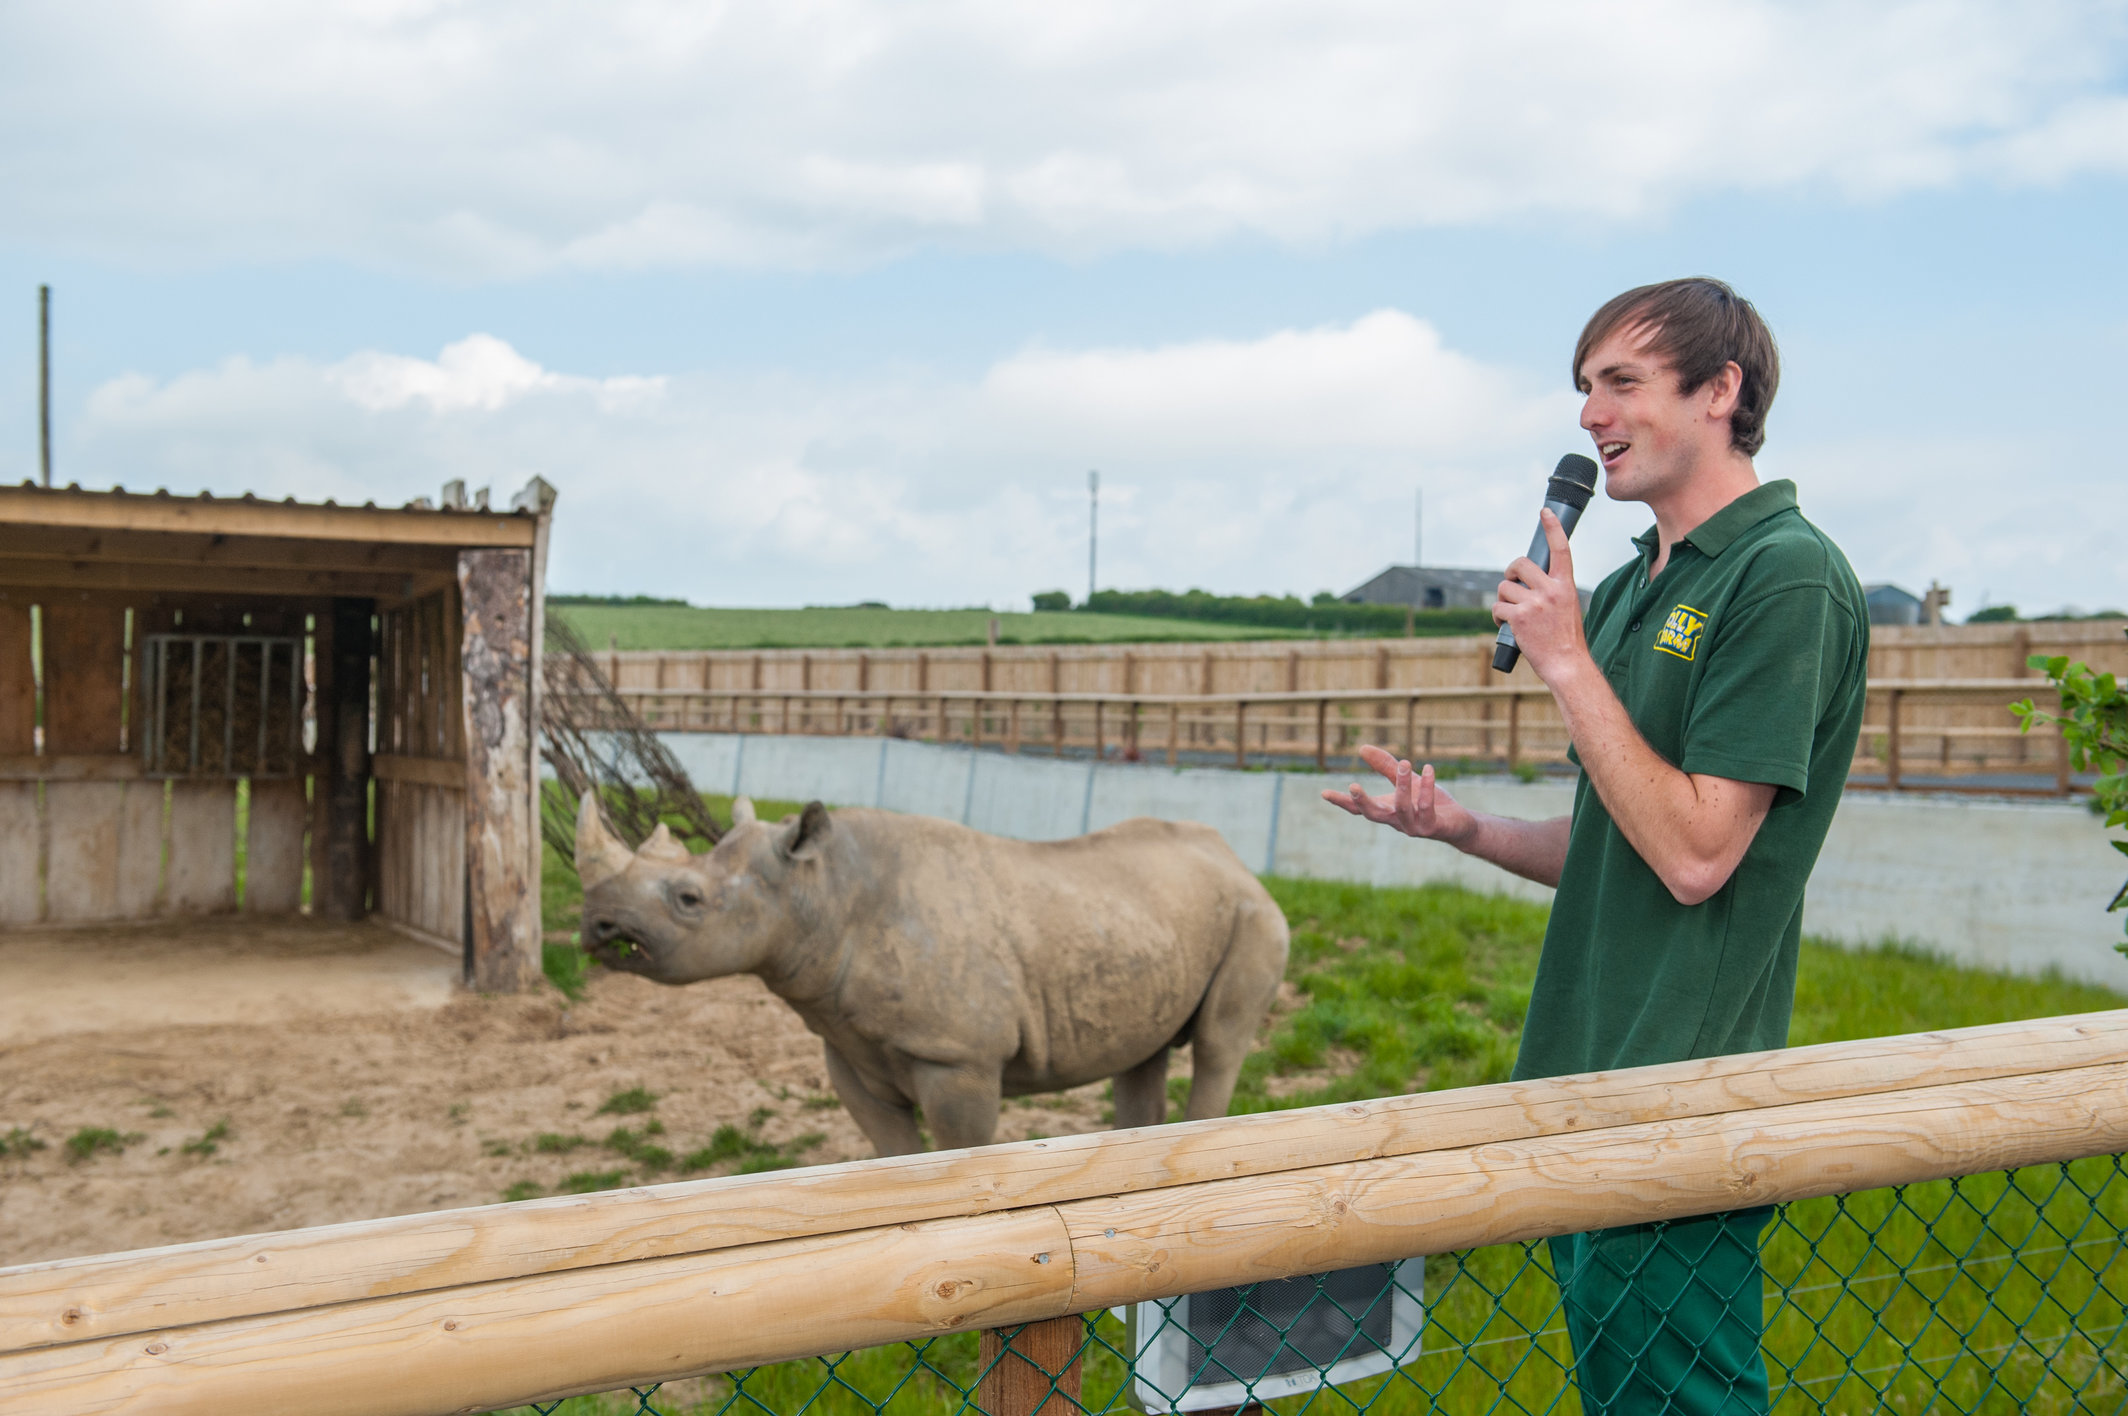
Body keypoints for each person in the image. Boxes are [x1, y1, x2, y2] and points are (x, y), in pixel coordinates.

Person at [1324, 277, 1869, 1415]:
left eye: (1620, 382)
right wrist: (1460, 828)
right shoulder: (1628, 587)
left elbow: (1698, 855)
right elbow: (1611, 839)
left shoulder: (1786, 575)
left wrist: (1568, 666)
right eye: (1583, 387)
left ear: (1720, 391)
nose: (1588, 416)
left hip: (1680, 1089)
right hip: (1583, 1067)